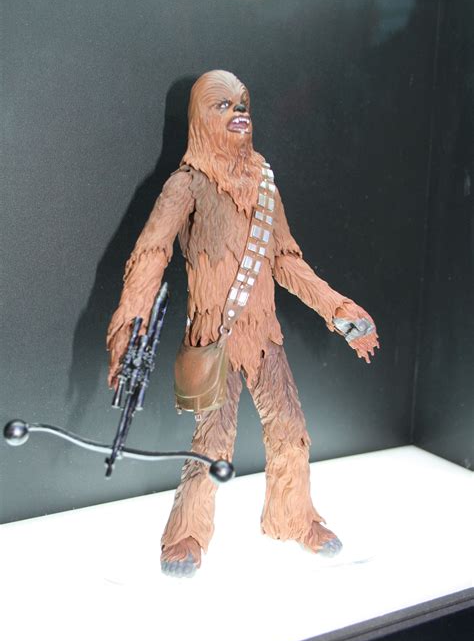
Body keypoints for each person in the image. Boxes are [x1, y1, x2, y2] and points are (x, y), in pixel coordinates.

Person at [107, 70, 379, 577]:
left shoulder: (264, 182)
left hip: (265, 337)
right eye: (223, 105)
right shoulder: (185, 184)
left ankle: (295, 519)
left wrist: (337, 309)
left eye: (243, 103)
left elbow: (286, 260)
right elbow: (151, 253)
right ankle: (186, 536)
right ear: (200, 118)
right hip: (215, 339)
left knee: (291, 430)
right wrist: (131, 324)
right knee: (212, 441)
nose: (239, 113)